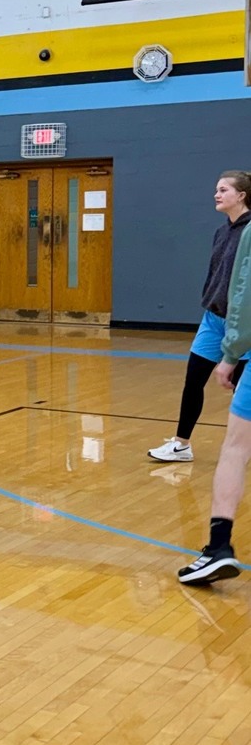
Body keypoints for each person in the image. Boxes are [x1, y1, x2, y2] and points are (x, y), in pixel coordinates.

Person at [149, 173, 251, 463]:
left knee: (240, 392)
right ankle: (181, 444)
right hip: (213, 319)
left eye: (223, 190)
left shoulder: (250, 232)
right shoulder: (222, 232)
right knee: (193, 380)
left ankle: (241, 448)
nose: (216, 195)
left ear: (241, 195)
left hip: (241, 323)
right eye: (216, 190)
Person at [178, 211, 251, 584]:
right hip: (216, 321)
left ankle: (219, 546)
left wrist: (231, 354)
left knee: (235, 449)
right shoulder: (224, 231)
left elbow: (244, 294)